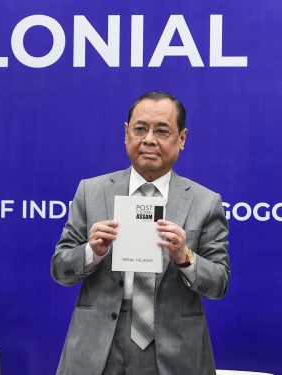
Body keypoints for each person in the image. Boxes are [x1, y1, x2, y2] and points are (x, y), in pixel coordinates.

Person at [51, 92, 230, 375]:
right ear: (126, 134)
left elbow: (219, 283)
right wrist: (91, 252)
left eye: (162, 131)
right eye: (140, 129)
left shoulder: (205, 202)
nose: (148, 139)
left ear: (182, 139)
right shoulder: (92, 191)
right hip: (97, 346)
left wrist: (185, 258)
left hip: (175, 349)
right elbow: (60, 270)